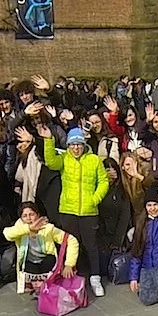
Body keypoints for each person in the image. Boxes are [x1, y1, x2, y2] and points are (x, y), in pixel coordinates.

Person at [37, 125, 109, 297]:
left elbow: (103, 181)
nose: (76, 148)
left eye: (78, 144)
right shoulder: (64, 158)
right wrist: (48, 140)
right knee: (70, 244)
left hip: (89, 211)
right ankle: (73, 277)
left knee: (91, 246)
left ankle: (95, 277)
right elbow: (51, 162)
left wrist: (94, 199)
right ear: (68, 145)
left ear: (84, 145)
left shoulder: (94, 160)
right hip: (68, 210)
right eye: (72, 145)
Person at [3, 201, 79, 295]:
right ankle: (35, 285)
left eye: (31, 214)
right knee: (27, 267)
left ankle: (46, 285)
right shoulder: (20, 228)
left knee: (49, 262)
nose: (29, 218)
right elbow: (7, 234)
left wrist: (69, 264)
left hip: (46, 262)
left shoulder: (47, 228)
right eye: (25, 216)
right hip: (30, 263)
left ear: (38, 215)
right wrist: (29, 229)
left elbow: (71, 240)